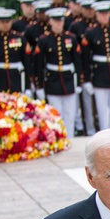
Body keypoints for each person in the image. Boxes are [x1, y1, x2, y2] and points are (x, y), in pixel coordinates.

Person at [81, 1, 110, 132]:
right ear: (96, 15)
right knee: (102, 109)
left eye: (106, 13)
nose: (104, 17)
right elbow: (86, 58)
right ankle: (105, 133)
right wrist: (86, 79)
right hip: (99, 74)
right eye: (101, 14)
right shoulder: (91, 32)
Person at [34, 8, 83, 136]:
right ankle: (59, 139)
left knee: (70, 114)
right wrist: (39, 85)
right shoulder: (44, 40)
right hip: (53, 80)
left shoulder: (70, 38)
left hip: (68, 79)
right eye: (55, 21)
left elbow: (77, 62)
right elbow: (39, 65)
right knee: (56, 114)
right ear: (50, 21)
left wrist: (78, 82)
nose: (58, 24)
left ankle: (70, 137)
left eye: (60, 21)